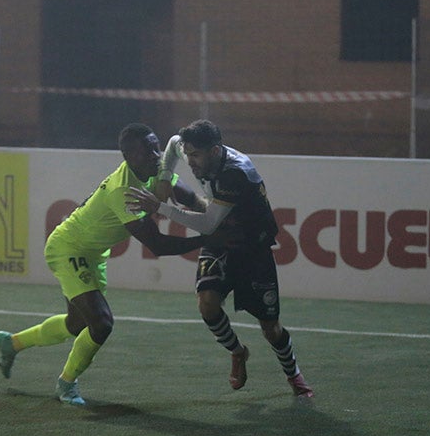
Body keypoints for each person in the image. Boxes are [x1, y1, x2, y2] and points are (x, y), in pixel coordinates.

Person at [0, 123, 211, 406]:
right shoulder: (123, 191)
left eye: (157, 147)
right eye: (148, 151)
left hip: (93, 253)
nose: (157, 155)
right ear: (130, 157)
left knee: (76, 324)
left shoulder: (157, 170)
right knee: (101, 323)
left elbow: (191, 199)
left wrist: (217, 214)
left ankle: (13, 343)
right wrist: (209, 239)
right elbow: (157, 244)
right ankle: (66, 383)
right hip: (68, 248)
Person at [126, 119, 314, 400]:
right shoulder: (193, 149)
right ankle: (238, 352)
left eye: (196, 156)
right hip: (222, 241)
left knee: (271, 329)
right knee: (207, 304)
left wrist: (161, 207)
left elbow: (207, 224)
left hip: (252, 247)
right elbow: (173, 143)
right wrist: (165, 175)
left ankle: (294, 375)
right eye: (188, 155)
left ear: (214, 151)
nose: (190, 162)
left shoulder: (235, 173)